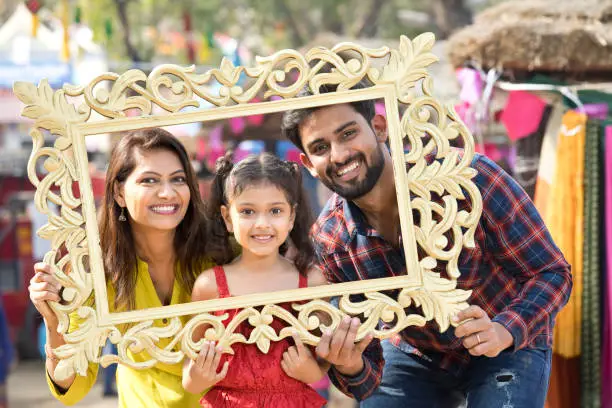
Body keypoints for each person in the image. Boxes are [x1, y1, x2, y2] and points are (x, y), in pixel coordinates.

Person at [281, 83, 572, 407]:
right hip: (413, 352)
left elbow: (552, 272)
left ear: (379, 127)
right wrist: (352, 365)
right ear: (308, 164)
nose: (339, 155)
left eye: (348, 134)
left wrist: (506, 328)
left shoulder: (468, 179)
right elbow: (366, 370)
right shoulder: (331, 240)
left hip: (505, 341)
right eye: (321, 147)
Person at [28, 128, 215, 407]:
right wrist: (54, 322)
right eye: (149, 180)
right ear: (119, 193)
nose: (167, 193)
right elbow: (73, 388)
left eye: (178, 179)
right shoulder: (93, 274)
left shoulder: (221, 255)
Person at [182, 152, 328, 408]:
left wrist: (310, 371)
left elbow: (321, 365)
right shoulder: (210, 286)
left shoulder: (311, 282)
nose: (262, 223)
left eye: (275, 211)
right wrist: (199, 375)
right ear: (228, 217)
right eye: (248, 211)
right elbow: (190, 378)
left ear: (291, 217)